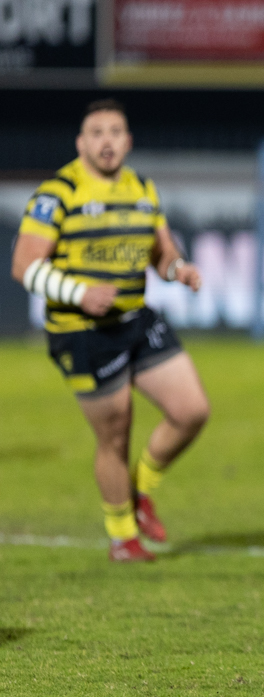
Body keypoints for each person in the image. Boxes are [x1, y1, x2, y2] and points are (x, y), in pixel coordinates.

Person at [10, 98, 209, 563]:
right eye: (96, 133)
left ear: (128, 141)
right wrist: (77, 293)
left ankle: (139, 490)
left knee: (192, 411)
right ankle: (123, 537)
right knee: (115, 434)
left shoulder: (141, 188)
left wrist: (178, 268)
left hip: (135, 320)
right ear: (81, 143)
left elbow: (162, 253)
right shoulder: (56, 193)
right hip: (82, 332)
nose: (106, 141)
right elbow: (24, 266)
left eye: (115, 132)